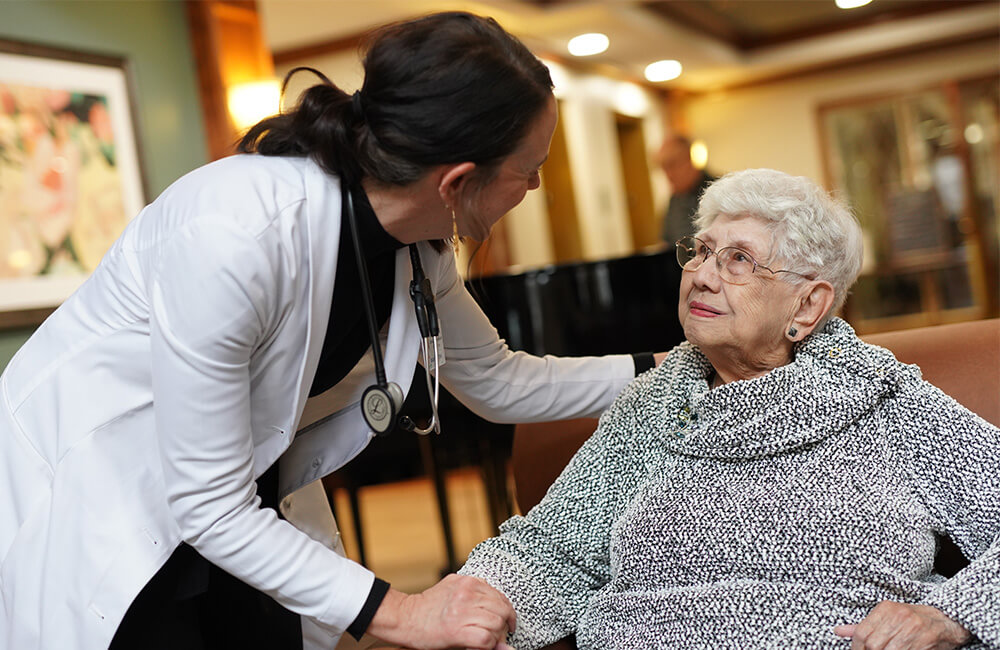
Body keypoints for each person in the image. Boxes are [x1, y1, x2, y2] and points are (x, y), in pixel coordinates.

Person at [0, 12, 662, 650]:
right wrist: (401, 612)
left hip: (237, 501)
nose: (538, 183)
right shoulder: (234, 235)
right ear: (457, 182)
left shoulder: (417, 244)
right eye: (530, 168)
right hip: (112, 498)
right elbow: (206, 501)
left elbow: (499, 380)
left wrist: (665, 367)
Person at [460, 168, 1000, 649]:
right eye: (700, 251)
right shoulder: (651, 407)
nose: (702, 275)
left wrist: (950, 613)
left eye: (738, 259)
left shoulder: (886, 404)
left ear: (808, 304)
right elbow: (550, 552)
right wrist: (468, 605)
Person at [658, 134, 715, 246]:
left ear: (689, 159)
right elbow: (667, 242)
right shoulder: (675, 199)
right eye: (664, 168)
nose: (668, 175)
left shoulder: (718, 191)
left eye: (672, 165)